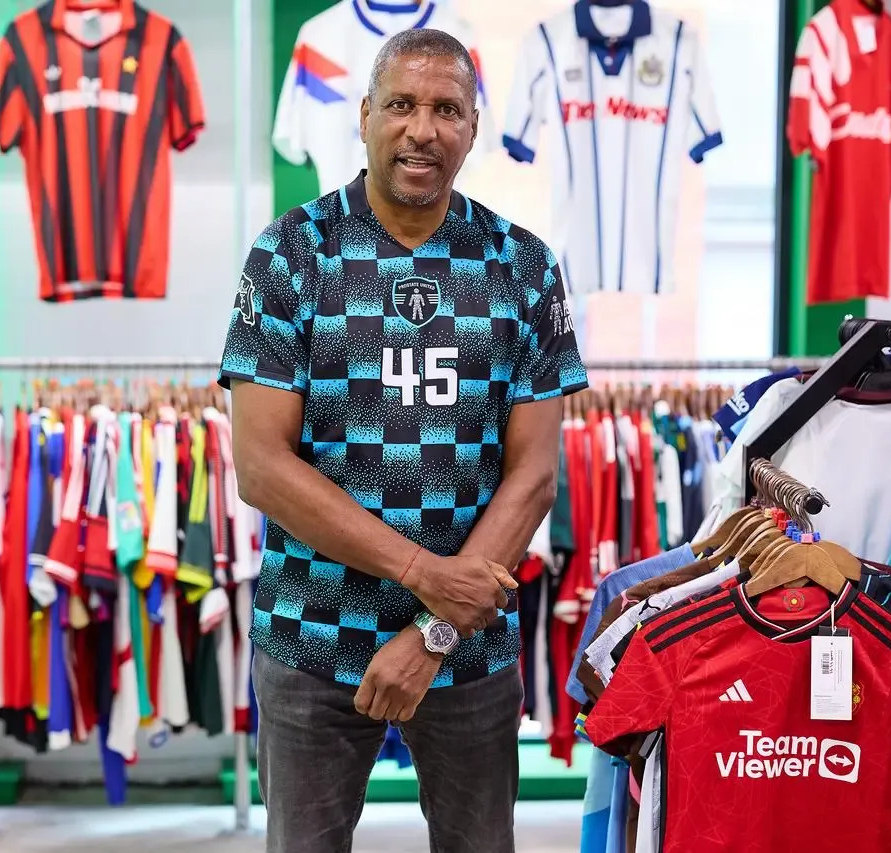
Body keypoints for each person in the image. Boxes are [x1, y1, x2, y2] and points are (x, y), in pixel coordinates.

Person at [218, 27, 588, 853]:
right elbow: (261, 468)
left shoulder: (521, 265)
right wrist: (427, 577)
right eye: (403, 104)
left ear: (473, 128)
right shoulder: (291, 254)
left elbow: (533, 477)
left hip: (467, 654)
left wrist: (434, 631)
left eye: (447, 109)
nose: (423, 128)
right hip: (310, 639)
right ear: (364, 117)